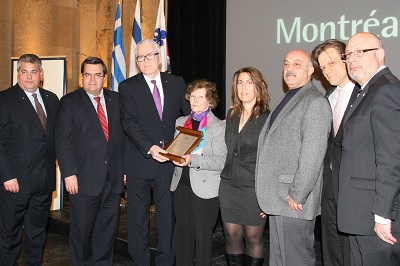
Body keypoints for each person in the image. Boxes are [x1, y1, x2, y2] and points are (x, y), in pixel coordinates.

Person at [256, 50, 331, 265]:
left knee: (296, 260)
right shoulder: (290, 98)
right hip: (279, 199)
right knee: (280, 260)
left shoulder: (314, 102)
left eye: (297, 64)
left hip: (293, 200)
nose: (289, 68)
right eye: (287, 63)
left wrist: (298, 193)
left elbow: (313, 153)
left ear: (310, 71)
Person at [119, 39, 191, 265]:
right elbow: (129, 123)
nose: (145, 61)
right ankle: (139, 261)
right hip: (139, 159)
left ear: (159, 58)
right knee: (137, 218)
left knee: (167, 216)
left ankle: (165, 261)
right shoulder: (127, 87)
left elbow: (189, 117)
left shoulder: (177, 82)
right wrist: (150, 147)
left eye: (149, 56)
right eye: (140, 57)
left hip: (169, 161)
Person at [336, 32, 400, 265]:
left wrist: (383, 215)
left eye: (360, 52)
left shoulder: (386, 90)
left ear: (380, 54)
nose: (352, 59)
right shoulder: (367, 90)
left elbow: (392, 159)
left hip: (376, 219)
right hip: (360, 215)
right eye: (348, 54)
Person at [55, 57, 125, 264]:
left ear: (104, 77)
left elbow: (123, 139)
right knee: (82, 233)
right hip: (83, 180)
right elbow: (63, 141)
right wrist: (68, 173)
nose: (92, 80)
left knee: (106, 232)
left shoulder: (117, 100)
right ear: (82, 77)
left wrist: (124, 169)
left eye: (97, 74)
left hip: (112, 180)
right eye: (87, 75)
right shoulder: (69, 102)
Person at [0, 54, 59, 265]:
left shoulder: (52, 99)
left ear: (41, 74)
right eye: (23, 71)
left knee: (37, 235)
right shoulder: (4, 100)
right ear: (17, 73)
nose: (28, 77)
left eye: (33, 72)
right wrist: (7, 176)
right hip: (15, 183)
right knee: (9, 237)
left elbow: (55, 139)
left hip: (43, 183)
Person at [311, 39, 359, 266]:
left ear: (346, 58)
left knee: (352, 249)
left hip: (353, 186)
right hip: (328, 184)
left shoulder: (365, 93)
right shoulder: (327, 96)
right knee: (330, 247)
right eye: (322, 67)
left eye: (331, 63)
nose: (326, 71)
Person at [170, 79, 227, 266]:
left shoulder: (218, 127)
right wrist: (169, 154)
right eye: (192, 95)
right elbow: (176, 150)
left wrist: (193, 159)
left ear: (210, 101)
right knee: (183, 235)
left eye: (200, 96)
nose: (194, 99)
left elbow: (220, 161)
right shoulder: (180, 122)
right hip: (181, 185)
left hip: (205, 189)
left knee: (203, 239)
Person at [219, 67, 270, 265]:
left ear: (259, 86)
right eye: (240, 82)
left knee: (253, 238)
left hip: (253, 187)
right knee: (231, 236)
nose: (243, 87)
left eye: (249, 82)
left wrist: (267, 196)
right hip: (229, 185)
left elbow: (271, 160)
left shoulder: (267, 118)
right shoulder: (231, 114)